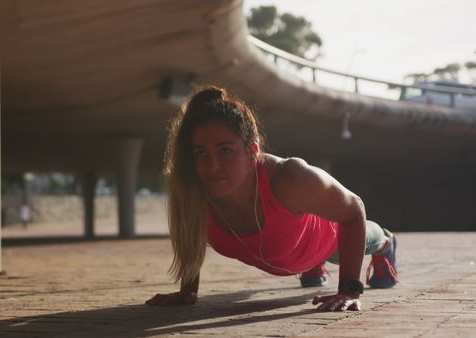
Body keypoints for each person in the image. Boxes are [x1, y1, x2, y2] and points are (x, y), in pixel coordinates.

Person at [146, 86, 398, 312]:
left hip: (328, 241)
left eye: (225, 150)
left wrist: (349, 290)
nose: (212, 166)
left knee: (364, 237)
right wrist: (188, 291)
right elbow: (192, 234)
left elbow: (354, 210)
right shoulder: (194, 191)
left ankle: (386, 243)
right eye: (201, 153)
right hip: (292, 250)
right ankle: (311, 268)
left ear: (252, 150)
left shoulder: (291, 178)